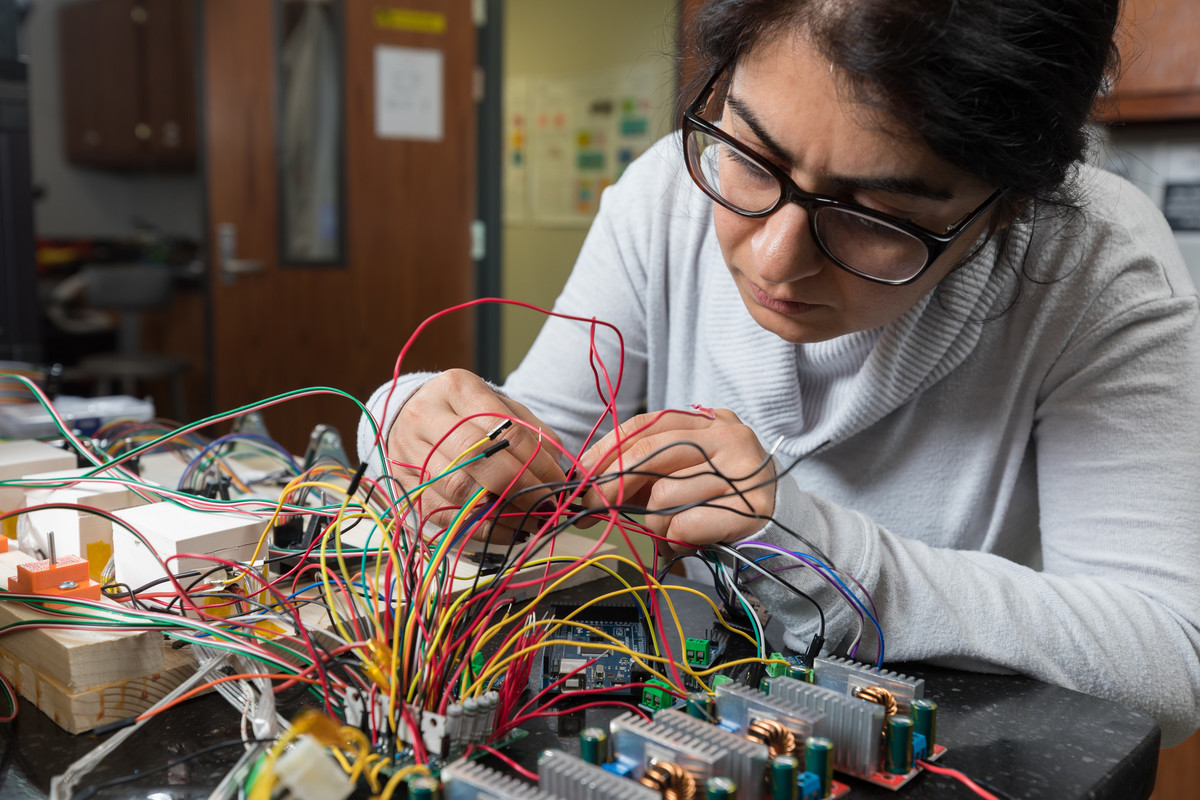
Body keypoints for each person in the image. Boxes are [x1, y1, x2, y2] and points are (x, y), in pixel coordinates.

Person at [359, 0, 1200, 745]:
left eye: (876, 216)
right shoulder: (670, 195)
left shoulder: (1095, 266)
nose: (773, 258)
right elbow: (527, 449)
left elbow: (1169, 661)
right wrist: (412, 424)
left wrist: (816, 551)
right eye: (755, 158)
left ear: (1008, 202)